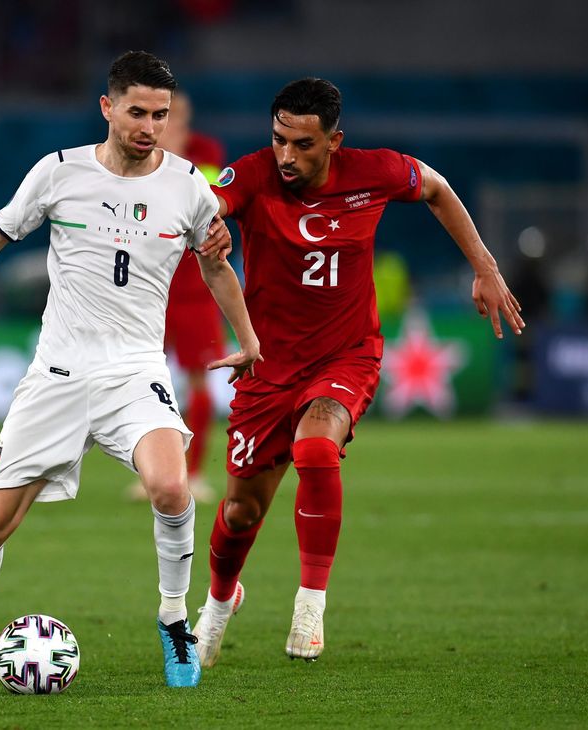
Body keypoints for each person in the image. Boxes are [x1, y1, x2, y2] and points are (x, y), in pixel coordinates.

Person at [0, 51, 261, 689]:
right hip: (59, 374)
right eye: (136, 112)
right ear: (107, 107)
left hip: (134, 371)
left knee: (171, 488)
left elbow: (215, 264)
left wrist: (248, 338)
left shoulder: (187, 186)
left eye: (159, 114)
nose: (149, 126)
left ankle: (174, 622)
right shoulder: (59, 173)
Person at [191, 78, 525, 665]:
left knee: (316, 450)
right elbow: (216, 201)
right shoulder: (252, 174)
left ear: (334, 142)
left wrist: (485, 266)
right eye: (278, 141)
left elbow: (439, 189)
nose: (287, 157)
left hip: (346, 355)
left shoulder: (375, 171)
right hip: (268, 365)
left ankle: (310, 605)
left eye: (303, 145)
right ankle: (220, 601)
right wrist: (212, 220)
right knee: (242, 510)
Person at [127, 91, 227, 503]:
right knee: (140, 382)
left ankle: (196, 470)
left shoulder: (204, 153)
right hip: (150, 291)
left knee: (199, 381)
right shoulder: (138, 157)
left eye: (172, 116)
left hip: (197, 292)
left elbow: (204, 204)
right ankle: (151, 472)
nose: (166, 126)